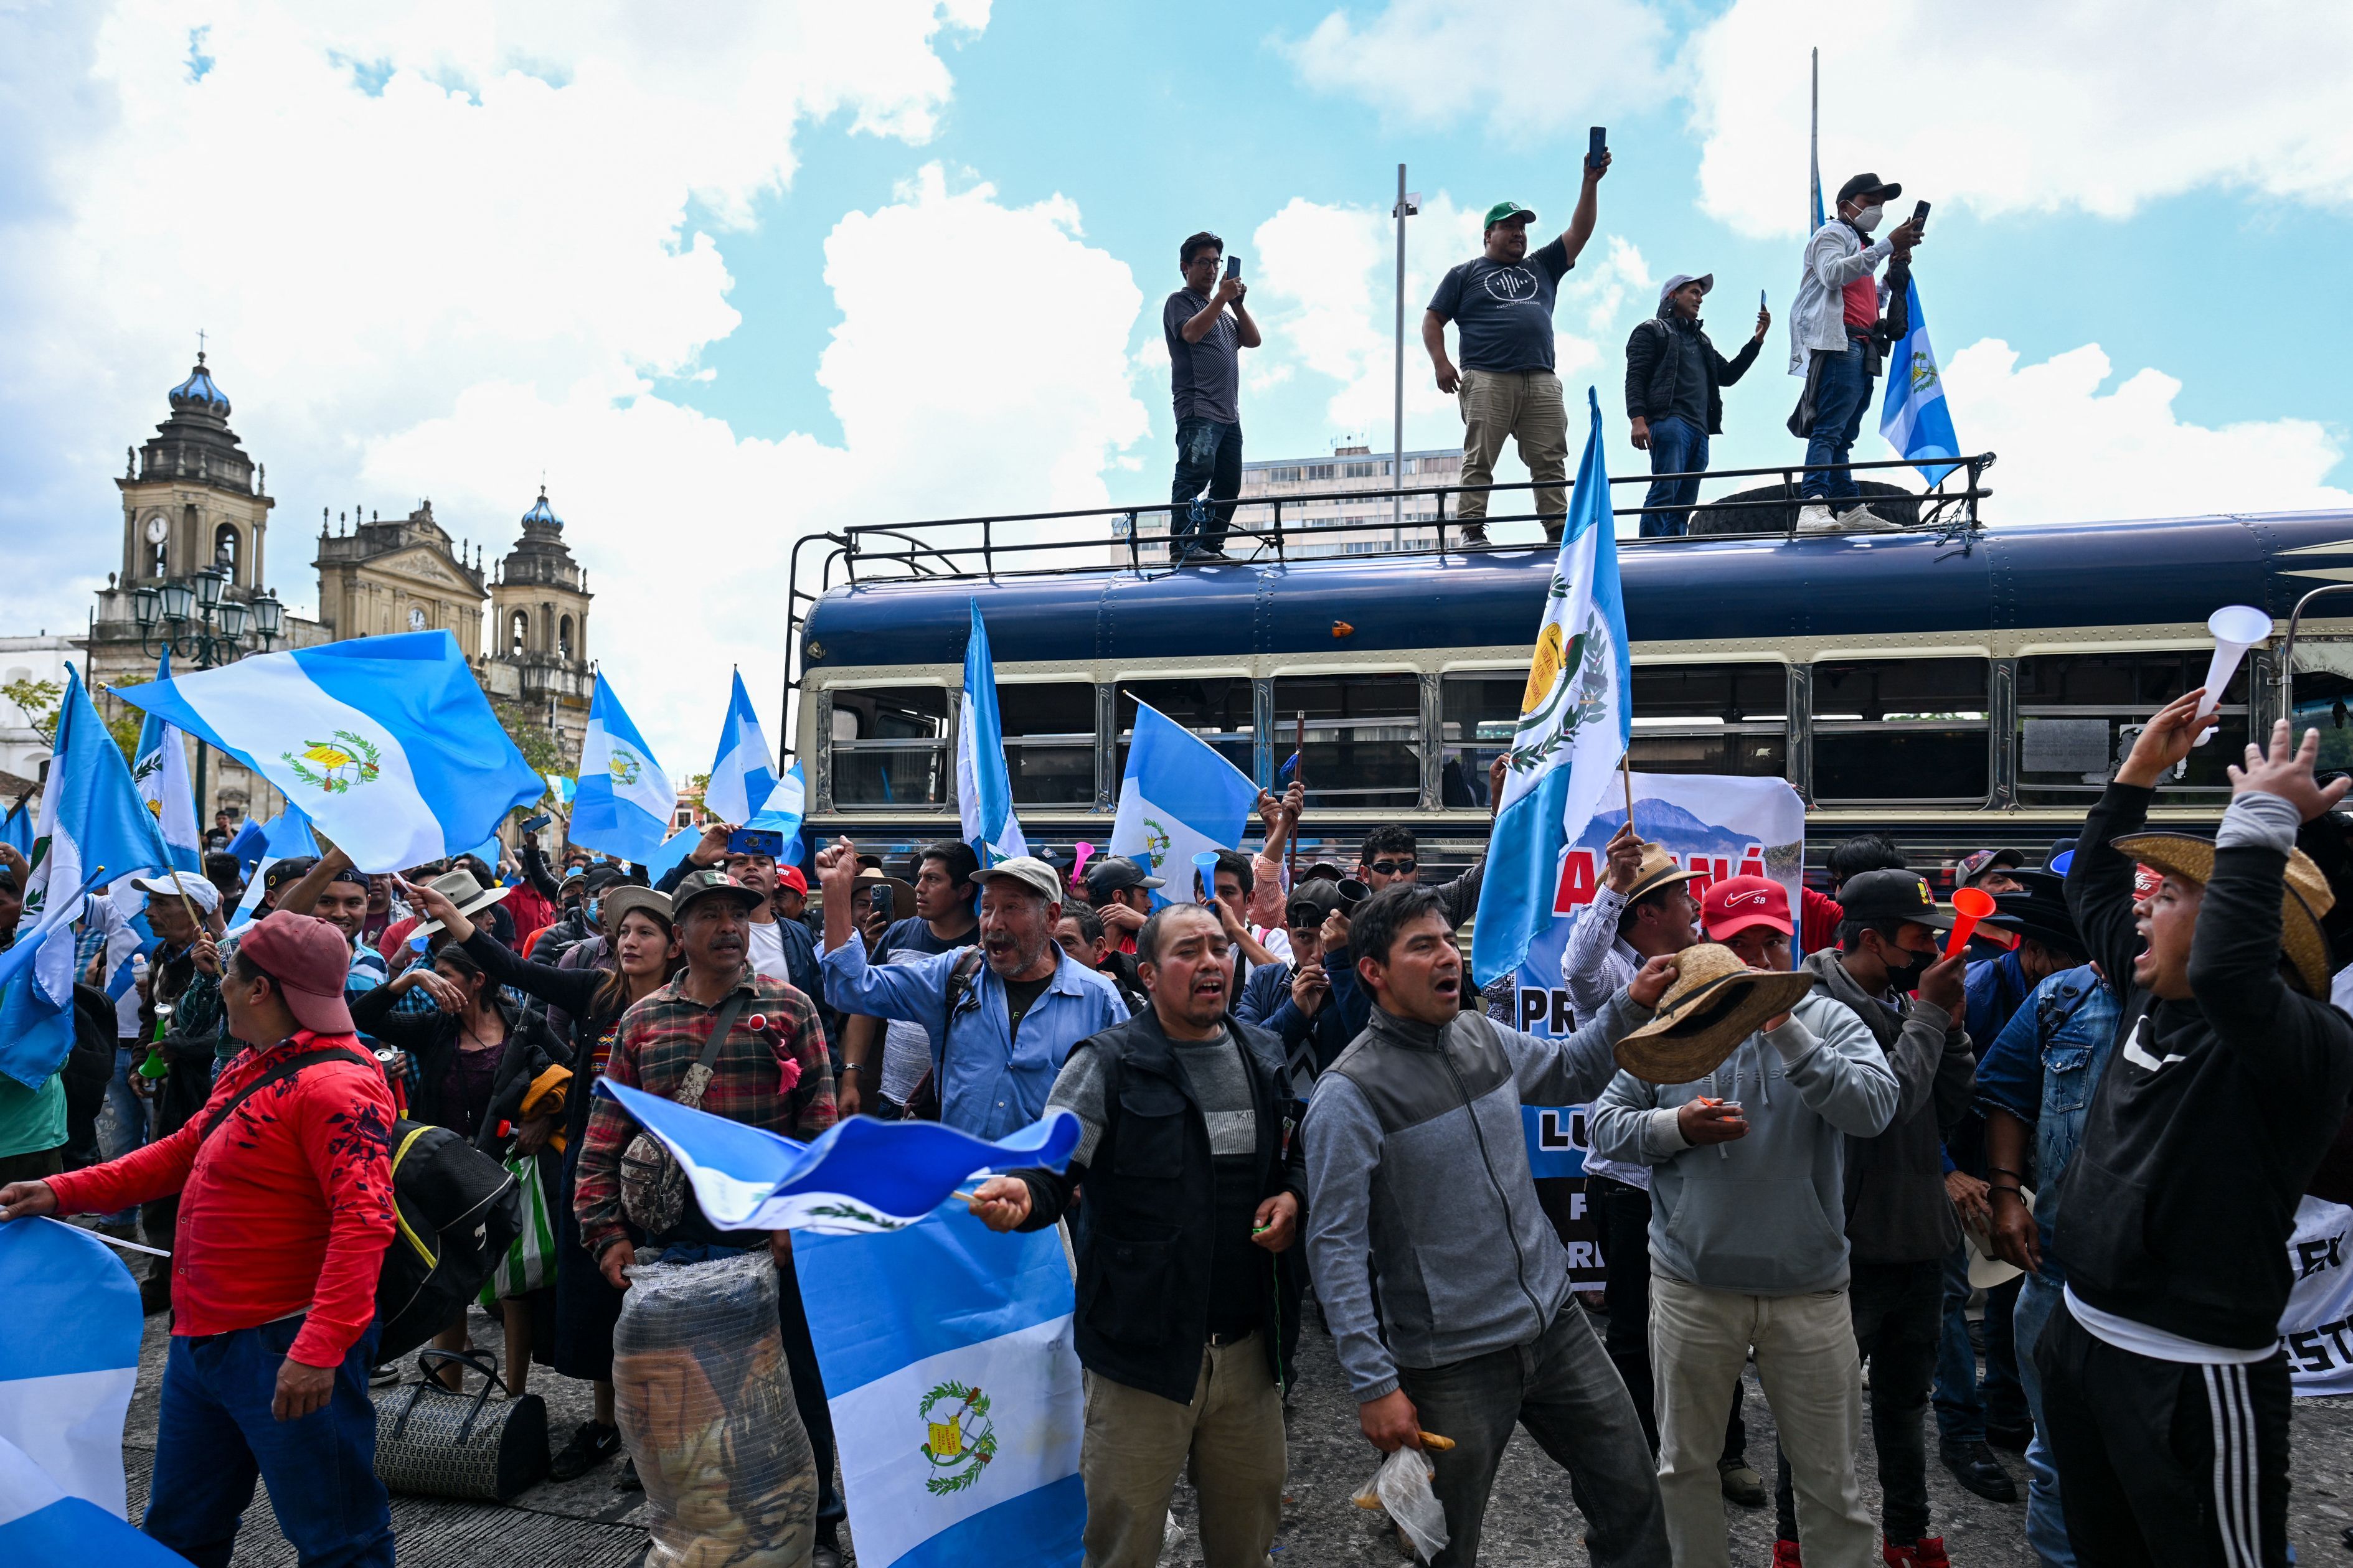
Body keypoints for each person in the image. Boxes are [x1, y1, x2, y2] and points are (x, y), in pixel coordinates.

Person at [2040, 704, 2353, 1564]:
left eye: (2170, 895)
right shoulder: (2153, 995)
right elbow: (2090, 888)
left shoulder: (2300, 1043)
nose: (2142, 910)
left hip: (2189, 1375)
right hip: (2080, 1337)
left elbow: (2225, 966)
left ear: (2242, 929)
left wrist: (2257, 819)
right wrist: (2134, 773)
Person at [2, 911, 399, 1567]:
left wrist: (321, 1347)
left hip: (284, 1344)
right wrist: (61, 1190)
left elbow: (365, 1221)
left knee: (340, 1540)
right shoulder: (255, 1062)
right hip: (203, 1341)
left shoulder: (335, 1085)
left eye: (230, 974)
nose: (218, 985)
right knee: (181, 1530)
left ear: (260, 989)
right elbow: (180, 1152)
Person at [1306, 883, 1674, 1567]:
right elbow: (1332, 1247)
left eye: (1448, 939)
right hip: (1451, 1361)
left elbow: (1570, 1070)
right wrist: (1373, 1383)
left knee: (1630, 1491)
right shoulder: (1348, 1094)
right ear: (1373, 973)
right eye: (1423, 946)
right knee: (1442, 1545)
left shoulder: (1478, 1032)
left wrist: (1632, 1002)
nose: (1448, 953)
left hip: (1555, 1323)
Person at [969, 901, 1303, 1568]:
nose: (1210, 961)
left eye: (1218, 947)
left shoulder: (1261, 1052)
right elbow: (1051, 1168)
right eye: (1188, 951)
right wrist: (1023, 1197)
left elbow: (1292, 1156)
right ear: (1148, 974)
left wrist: (1293, 1193)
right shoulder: (1106, 1062)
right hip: (1138, 1354)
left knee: (1248, 1542)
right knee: (1121, 1543)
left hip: (1248, 1351)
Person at [1589, 932, 1900, 1568]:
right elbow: (1603, 1123)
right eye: (1741, 941)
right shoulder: (1667, 1029)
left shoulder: (1825, 1017)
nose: (1755, 955)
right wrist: (1675, 1127)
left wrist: (1785, 1030)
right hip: (1690, 1283)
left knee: (1830, 1478)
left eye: (1768, 941)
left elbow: (1872, 1109)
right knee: (1683, 1466)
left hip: (1808, 1285)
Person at [573, 868, 845, 1566]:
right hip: (673, 1249)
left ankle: (812, 1529)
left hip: (769, 1242)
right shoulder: (641, 1020)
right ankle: (706, 1531)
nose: (729, 926)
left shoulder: (790, 1008)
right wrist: (605, 1232)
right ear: (678, 935)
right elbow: (605, 1131)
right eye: (711, 915)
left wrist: (796, 1221)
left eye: (738, 914)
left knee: (791, 1390)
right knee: (688, 1406)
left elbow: (819, 1126)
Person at [403, 875, 682, 1485]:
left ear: (674, 944)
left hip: (662, 1177)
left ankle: (650, 1434)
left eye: (646, 931)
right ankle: (606, 1424)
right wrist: (451, 913)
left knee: (652, 1307)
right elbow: (510, 966)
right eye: (624, 930)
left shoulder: (688, 1007)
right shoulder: (595, 992)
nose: (629, 940)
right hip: (593, 1166)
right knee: (593, 1301)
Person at [1775, 869, 1981, 1562]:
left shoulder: (1902, 997)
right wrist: (1928, 1016)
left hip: (1919, 1237)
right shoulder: (1815, 1006)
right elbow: (1883, 1110)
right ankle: (1792, 1538)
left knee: (1903, 1399)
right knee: (1813, 1414)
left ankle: (1906, 1529)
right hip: (1847, 1247)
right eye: (1917, 936)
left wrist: (1948, 1030)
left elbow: (1943, 1108)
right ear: (1871, 938)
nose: (1930, 948)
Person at [1557, 835, 1765, 1501]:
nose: (1692, 903)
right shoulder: (1617, 979)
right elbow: (1576, 964)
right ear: (1647, 914)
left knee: (1717, 1315)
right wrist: (1612, 883)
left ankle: (1724, 1450)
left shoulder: (1715, 962)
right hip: (1628, 1179)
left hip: (1708, 1171)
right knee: (1632, 1324)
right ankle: (1643, 1451)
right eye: (1679, 895)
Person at [1977, 910, 2127, 1568]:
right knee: (2058, 1449)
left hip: (2167, 1282)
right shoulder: (2063, 996)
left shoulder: (2223, 1000)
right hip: (2059, 1266)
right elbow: (2006, 1092)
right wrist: (2006, 1193)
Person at [817, 843, 1123, 1138]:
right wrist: (835, 890)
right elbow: (851, 989)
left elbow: (1124, 1101)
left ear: (1051, 918)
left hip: (1047, 1185)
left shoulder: (1099, 1000)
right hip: (963, 1182)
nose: (994, 923)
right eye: (987, 907)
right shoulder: (953, 975)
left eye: (1012, 907)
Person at [1424, 162, 1611, 547]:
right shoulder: (1464, 273)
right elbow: (1433, 319)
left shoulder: (1542, 265)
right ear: (1488, 234)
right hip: (1487, 376)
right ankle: (1473, 531)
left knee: (1550, 460)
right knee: (1480, 458)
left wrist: (1589, 182)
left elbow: (1580, 231)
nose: (1518, 234)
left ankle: (1558, 532)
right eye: (1510, 227)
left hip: (1540, 378)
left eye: (1522, 228)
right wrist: (1441, 363)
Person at [1788, 173, 1924, 533]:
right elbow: (1832, 275)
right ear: (1844, 204)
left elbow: (1867, 300)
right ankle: (1811, 505)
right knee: (1829, 429)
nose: (1876, 210)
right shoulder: (1831, 235)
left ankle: (1848, 508)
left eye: (1880, 204)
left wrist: (1891, 270)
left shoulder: (1861, 246)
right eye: (1869, 202)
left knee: (1844, 433)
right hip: (1841, 342)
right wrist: (1885, 246)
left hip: (1863, 343)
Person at [1624, 274, 1766, 537]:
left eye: (1701, 295)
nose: (1700, 299)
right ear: (1672, 296)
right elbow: (1636, 376)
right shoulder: (1651, 330)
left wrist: (1756, 341)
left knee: (1684, 504)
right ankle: (1649, 553)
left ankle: (1675, 552)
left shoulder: (1702, 342)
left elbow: (1728, 375)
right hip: (1670, 422)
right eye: (1694, 292)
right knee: (1664, 493)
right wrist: (1638, 419)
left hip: (1701, 431)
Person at [1164, 231, 1261, 565]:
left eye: (1215, 263)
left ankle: (1210, 545)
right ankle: (1182, 545)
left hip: (1228, 413)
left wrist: (1236, 305)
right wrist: (1221, 299)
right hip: (1198, 407)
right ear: (1185, 267)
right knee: (1194, 473)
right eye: (1203, 263)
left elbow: (1252, 340)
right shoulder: (1180, 302)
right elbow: (1190, 333)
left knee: (1228, 482)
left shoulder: (1220, 309)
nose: (1211, 270)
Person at [1234, 878, 1358, 1102]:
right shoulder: (1264, 981)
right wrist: (1294, 1014)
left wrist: (1346, 979)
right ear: (1287, 932)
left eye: (1327, 938)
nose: (1319, 953)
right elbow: (1241, 1059)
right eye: (1304, 937)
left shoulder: (1363, 985)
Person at [1054, 902, 1147, 1016]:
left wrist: (1118, 991)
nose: (1055, 952)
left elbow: (1153, 1029)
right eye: (1049, 944)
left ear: (1098, 947)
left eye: (1068, 943)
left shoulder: (1121, 996)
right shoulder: (1033, 995)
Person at [1083, 853, 1162, 956]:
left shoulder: (1149, 940)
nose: (1150, 904)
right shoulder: (1081, 948)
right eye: (1143, 895)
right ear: (1119, 897)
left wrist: (1145, 923)